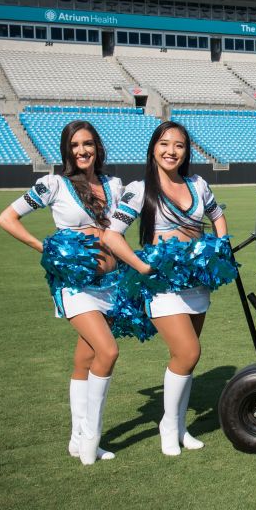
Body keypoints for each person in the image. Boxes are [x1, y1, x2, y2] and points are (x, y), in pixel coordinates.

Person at [0, 120, 122, 466]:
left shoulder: (113, 184)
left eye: (88, 144)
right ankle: (90, 443)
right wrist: (46, 249)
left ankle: (76, 437)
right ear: (67, 150)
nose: (82, 150)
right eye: (75, 145)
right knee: (108, 352)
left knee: (85, 359)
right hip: (74, 285)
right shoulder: (53, 184)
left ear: (98, 147)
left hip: (110, 284)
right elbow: (7, 218)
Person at [101, 122, 228, 457]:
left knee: (186, 359)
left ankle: (182, 428)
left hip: (197, 282)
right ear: (153, 148)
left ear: (186, 152)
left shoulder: (197, 184)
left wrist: (218, 248)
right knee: (187, 353)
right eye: (165, 144)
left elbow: (217, 217)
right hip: (162, 285)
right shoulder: (140, 189)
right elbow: (111, 235)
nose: (171, 151)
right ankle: (168, 426)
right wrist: (143, 266)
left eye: (180, 146)